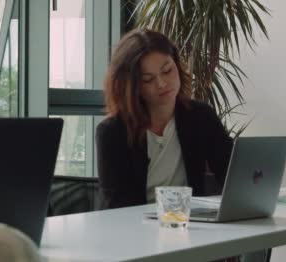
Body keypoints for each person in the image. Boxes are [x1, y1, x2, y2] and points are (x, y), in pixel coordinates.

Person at [96, 29, 233, 210]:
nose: (161, 84)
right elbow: (118, 207)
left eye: (167, 70)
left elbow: (232, 174)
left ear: (176, 64)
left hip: (189, 225)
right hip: (135, 229)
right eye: (147, 80)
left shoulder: (199, 116)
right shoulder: (113, 132)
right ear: (132, 87)